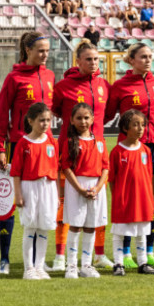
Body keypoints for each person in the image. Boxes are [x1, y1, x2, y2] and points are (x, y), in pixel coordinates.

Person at [0, 32, 54, 275]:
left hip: (44, 147)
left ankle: (38, 261)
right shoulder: (14, 78)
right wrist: (0, 148)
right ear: (27, 50)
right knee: (9, 202)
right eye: (40, 50)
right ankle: (4, 259)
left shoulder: (49, 76)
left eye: (47, 50)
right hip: (18, 146)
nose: (45, 54)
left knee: (41, 203)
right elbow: (1, 115)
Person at [105, 43, 154, 269]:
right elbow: (107, 114)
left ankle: (148, 253)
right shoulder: (120, 86)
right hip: (128, 150)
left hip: (153, 149)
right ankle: (126, 254)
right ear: (131, 60)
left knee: (150, 203)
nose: (148, 60)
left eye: (150, 56)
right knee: (127, 200)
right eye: (143, 57)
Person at [52, 39, 113, 269]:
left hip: (96, 151)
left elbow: (106, 115)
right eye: (89, 59)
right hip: (71, 150)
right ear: (78, 61)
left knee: (97, 204)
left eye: (96, 59)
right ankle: (60, 256)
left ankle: (98, 254)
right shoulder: (64, 86)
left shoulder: (104, 85)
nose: (94, 63)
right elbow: (56, 110)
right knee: (65, 205)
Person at [10, 102, 59, 280]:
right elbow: (15, 172)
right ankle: (28, 268)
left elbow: (56, 170)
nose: (45, 124)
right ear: (30, 121)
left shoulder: (53, 142)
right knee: (30, 228)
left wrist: (58, 194)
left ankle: (40, 267)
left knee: (44, 228)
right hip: (29, 187)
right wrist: (18, 194)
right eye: (41, 120)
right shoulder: (23, 143)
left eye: (47, 120)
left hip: (48, 188)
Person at [108, 109, 154, 276]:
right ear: (125, 127)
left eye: (143, 125)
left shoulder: (145, 150)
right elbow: (112, 179)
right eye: (135, 124)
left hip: (142, 199)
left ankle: (143, 262)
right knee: (120, 232)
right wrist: (117, 196)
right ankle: (118, 263)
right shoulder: (117, 151)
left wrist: (150, 198)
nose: (140, 128)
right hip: (124, 199)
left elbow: (149, 175)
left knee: (142, 231)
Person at [62, 103, 109, 278]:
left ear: (93, 119)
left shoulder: (100, 142)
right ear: (72, 120)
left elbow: (105, 167)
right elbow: (66, 168)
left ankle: (86, 265)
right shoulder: (70, 142)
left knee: (91, 226)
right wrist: (80, 189)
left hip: (96, 187)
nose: (83, 121)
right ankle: (72, 265)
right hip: (77, 186)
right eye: (79, 118)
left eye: (86, 117)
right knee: (75, 225)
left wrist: (97, 188)